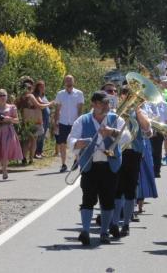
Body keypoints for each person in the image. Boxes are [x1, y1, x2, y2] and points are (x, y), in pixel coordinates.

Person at [68, 90, 130, 246]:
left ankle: (104, 232)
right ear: (94, 104)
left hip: (110, 165)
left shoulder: (115, 119)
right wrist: (80, 143)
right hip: (90, 165)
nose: (107, 106)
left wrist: (112, 132)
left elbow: (127, 136)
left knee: (108, 200)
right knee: (88, 198)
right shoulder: (83, 120)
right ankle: (85, 231)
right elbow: (71, 139)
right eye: (103, 103)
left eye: (108, 102)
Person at [110, 88, 153, 238]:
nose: (129, 97)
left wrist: (138, 111)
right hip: (117, 152)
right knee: (117, 189)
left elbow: (147, 129)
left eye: (132, 95)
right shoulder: (114, 112)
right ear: (121, 96)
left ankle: (126, 224)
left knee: (130, 190)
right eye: (126, 94)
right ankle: (114, 222)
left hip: (134, 153)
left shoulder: (140, 113)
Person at [0, 89, 23, 182]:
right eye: (0, 95)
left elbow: (17, 120)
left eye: (4, 95)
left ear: (7, 96)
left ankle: (5, 170)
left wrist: (8, 118)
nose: (2, 97)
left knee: (6, 151)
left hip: (8, 132)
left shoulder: (12, 107)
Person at [54, 75, 85, 173]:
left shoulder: (79, 93)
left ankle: (76, 159)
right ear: (64, 82)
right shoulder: (60, 94)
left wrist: (79, 122)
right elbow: (57, 109)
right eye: (67, 80)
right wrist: (56, 122)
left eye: (70, 80)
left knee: (75, 142)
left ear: (73, 81)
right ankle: (63, 164)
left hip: (74, 122)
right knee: (62, 143)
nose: (68, 82)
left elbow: (80, 109)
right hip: (63, 121)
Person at [16, 83, 51, 164]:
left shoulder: (20, 98)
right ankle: (31, 158)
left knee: (26, 141)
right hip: (35, 122)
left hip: (26, 122)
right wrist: (50, 103)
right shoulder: (30, 96)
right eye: (30, 88)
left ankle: (24, 158)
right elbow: (40, 106)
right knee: (33, 140)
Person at [33, 80, 52, 159]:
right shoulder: (37, 96)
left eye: (43, 86)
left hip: (46, 118)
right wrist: (51, 103)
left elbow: (46, 105)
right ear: (37, 87)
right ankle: (36, 152)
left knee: (43, 135)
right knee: (40, 135)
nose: (43, 88)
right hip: (41, 118)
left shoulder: (43, 95)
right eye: (41, 87)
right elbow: (41, 103)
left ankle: (40, 151)